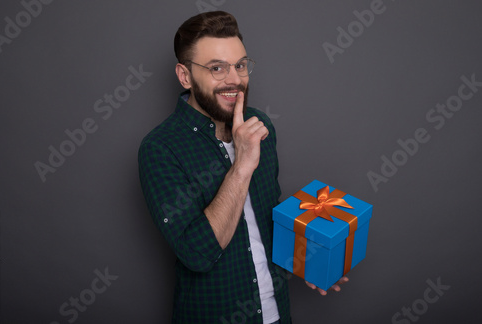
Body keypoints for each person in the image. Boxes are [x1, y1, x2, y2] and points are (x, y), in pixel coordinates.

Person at [138, 11, 347, 324]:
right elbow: (197, 253)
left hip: (277, 314)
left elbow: (263, 219)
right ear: (185, 76)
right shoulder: (160, 149)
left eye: (240, 65)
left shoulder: (259, 126)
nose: (234, 79)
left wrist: (307, 260)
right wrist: (242, 165)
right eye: (217, 68)